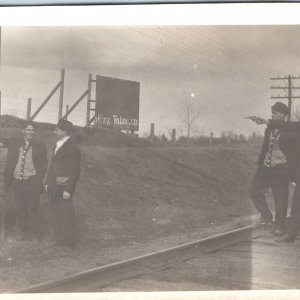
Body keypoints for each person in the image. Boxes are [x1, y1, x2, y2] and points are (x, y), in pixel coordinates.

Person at [249, 102, 298, 235]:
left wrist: (291, 169)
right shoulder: (269, 129)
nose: (272, 115)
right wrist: (261, 162)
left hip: (281, 168)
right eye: (272, 113)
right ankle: (266, 215)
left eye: (275, 113)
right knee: (254, 191)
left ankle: (280, 226)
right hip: (266, 167)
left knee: (280, 198)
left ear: (283, 115)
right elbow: (265, 147)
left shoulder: (290, 129)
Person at [1, 122, 47, 240]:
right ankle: (18, 233)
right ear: (23, 131)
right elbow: (2, 142)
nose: (30, 132)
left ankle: (34, 235)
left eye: (32, 130)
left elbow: (43, 164)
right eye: (28, 130)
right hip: (16, 181)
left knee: (31, 207)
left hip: (31, 181)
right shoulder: (15, 142)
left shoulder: (40, 146)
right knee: (16, 207)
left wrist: (38, 178)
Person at [46, 119, 81, 248]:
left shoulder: (72, 148)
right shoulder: (57, 145)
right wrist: (47, 182)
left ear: (65, 131)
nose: (54, 131)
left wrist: (68, 189)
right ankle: (60, 240)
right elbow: (53, 166)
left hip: (64, 187)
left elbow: (75, 171)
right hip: (54, 186)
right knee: (56, 213)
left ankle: (69, 243)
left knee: (66, 214)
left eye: (57, 129)